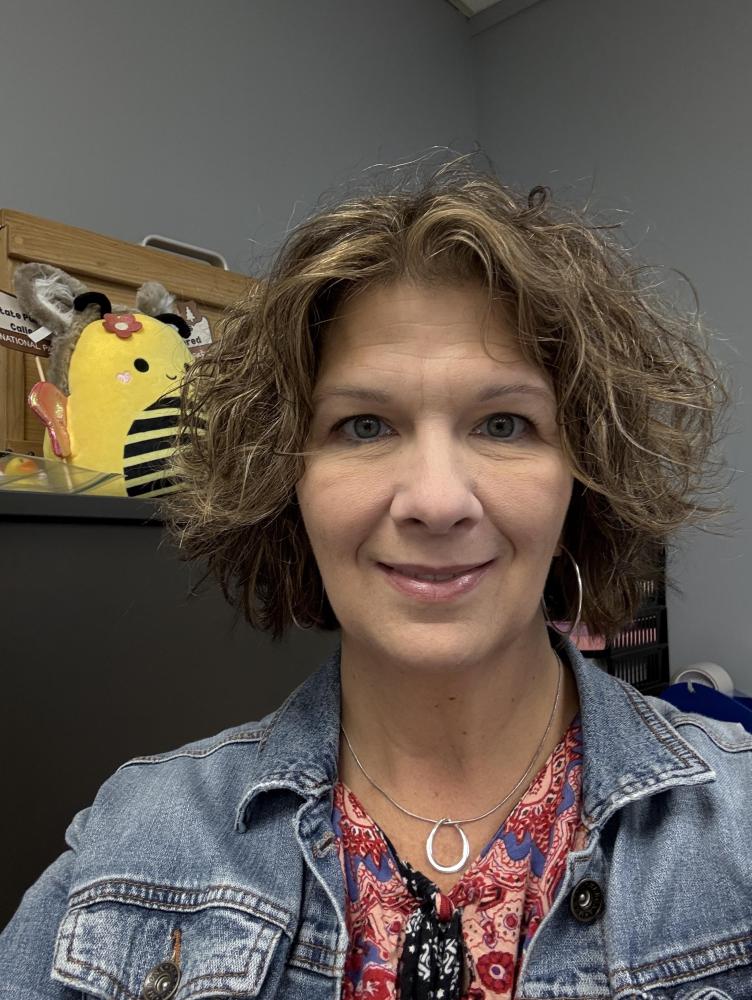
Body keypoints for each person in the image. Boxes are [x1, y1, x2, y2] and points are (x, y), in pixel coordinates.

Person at [1, 155, 748, 1000]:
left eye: (503, 423)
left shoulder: (739, 832)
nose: (435, 500)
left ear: (584, 475)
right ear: (289, 481)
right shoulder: (130, 854)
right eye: (364, 426)